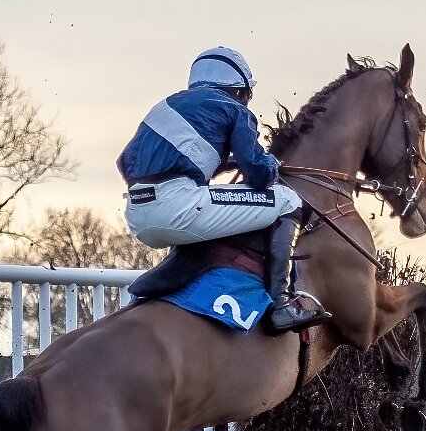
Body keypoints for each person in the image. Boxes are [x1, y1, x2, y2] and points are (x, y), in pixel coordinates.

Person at [116, 46, 329, 333]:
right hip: (176, 207)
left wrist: (219, 163)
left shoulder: (166, 105)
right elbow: (258, 174)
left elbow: (125, 162)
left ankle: (152, 287)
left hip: (137, 214)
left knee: (202, 208)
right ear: (240, 88)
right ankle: (281, 305)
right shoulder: (234, 109)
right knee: (287, 199)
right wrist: (272, 163)